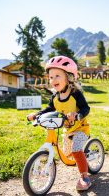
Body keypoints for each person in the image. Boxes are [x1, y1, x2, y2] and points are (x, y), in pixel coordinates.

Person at [27, 56, 91, 191]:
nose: (53, 80)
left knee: (76, 150)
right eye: (50, 77)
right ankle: (83, 159)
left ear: (68, 77)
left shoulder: (75, 94)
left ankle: (85, 177)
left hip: (80, 128)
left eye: (57, 76)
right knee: (68, 156)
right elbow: (49, 109)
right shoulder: (55, 96)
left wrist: (77, 115)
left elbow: (86, 108)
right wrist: (37, 115)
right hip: (67, 131)